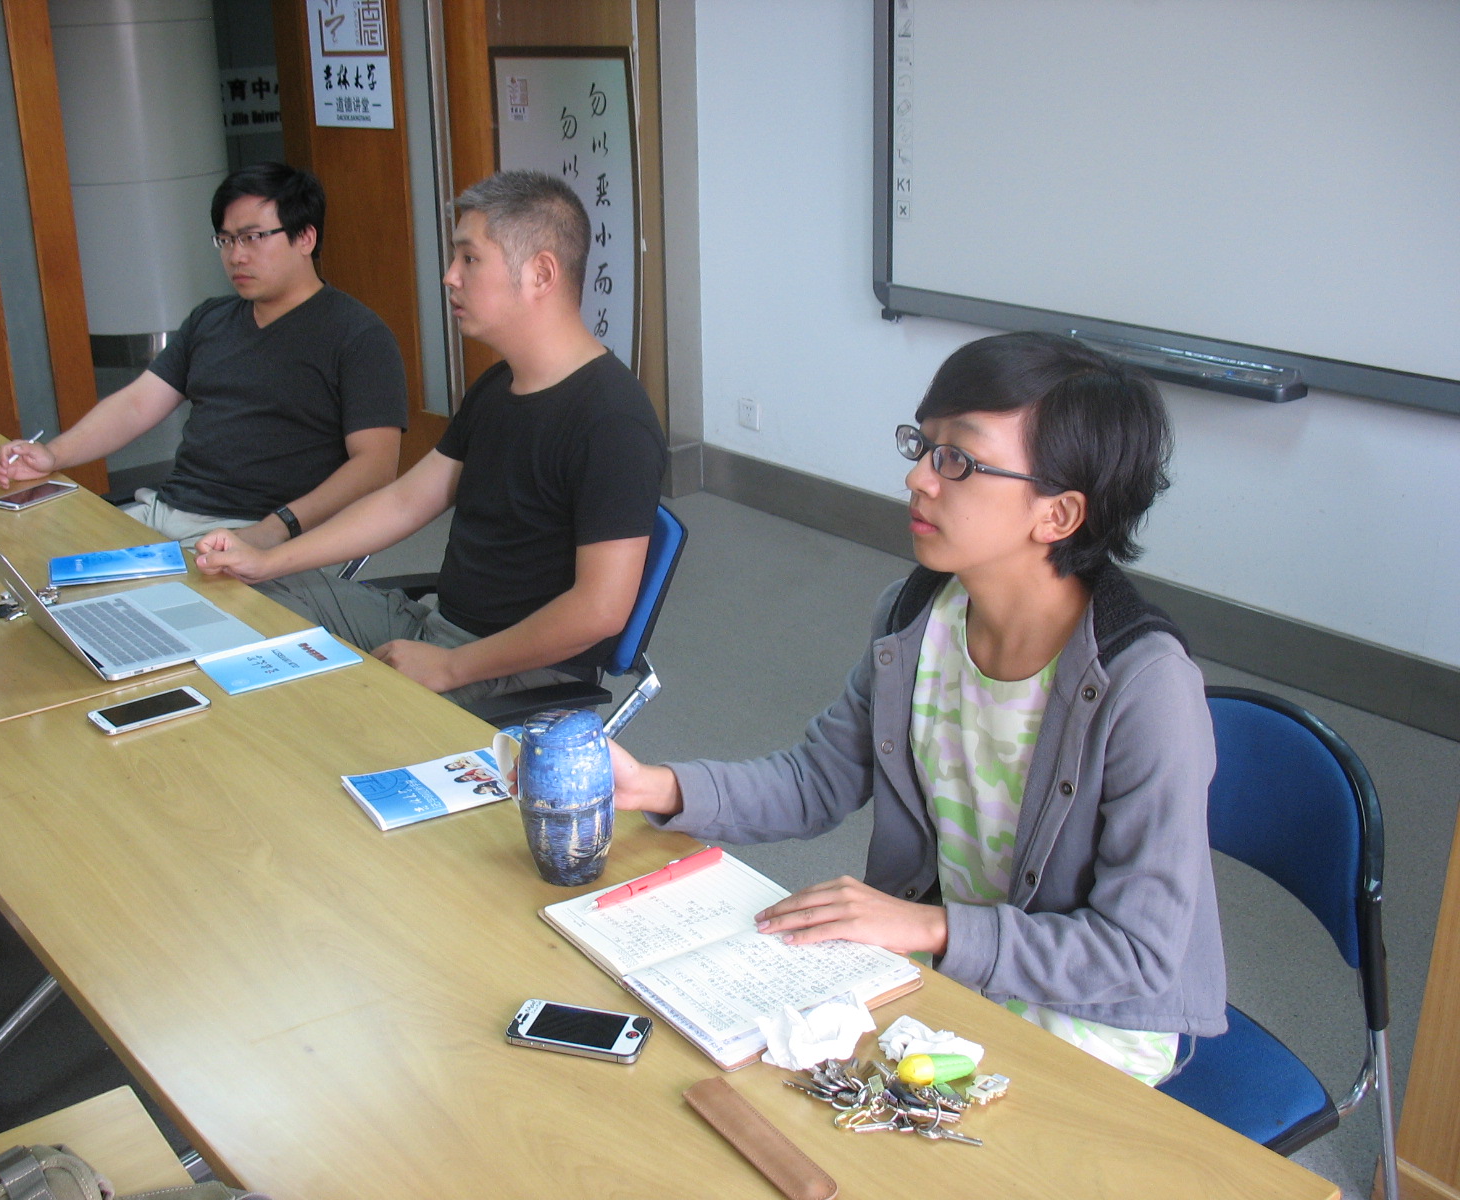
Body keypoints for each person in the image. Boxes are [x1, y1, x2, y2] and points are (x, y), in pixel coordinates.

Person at [612, 332, 1225, 1085]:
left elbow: (1136, 954)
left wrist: (929, 926)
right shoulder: (916, 620)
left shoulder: (1147, 689)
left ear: (1060, 515)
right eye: (923, 445)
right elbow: (816, 781)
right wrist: (656, 786)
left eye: (957, 459)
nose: (918, 477)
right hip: (955, 969)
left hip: (1093, 1022)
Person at [193, 170, 666, 709]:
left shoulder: (613, 422)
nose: (450, 276)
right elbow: (405, 501)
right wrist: (266, 558)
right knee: (246, 593)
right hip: (435, 628)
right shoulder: (498, 385)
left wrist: (449, 667)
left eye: (470, 258)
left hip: (515, 672)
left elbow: (599, 611)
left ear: (540, 274)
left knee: (320, 712)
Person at [0, 162, 406, 548]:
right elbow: (136, 405)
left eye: (253, 237)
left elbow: (375, 465)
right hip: (162, 513)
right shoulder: (211, 319)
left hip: (257, 533)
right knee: (27, 556)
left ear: (305, 238)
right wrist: (53, 455)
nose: (236, 255)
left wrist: (275, 529)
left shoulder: (358, 336)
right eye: (226, 240)